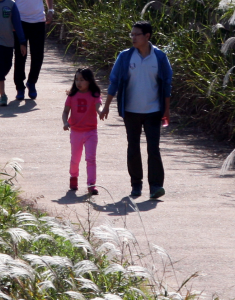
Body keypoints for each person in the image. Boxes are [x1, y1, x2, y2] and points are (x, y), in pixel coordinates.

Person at [101, 21, 173, 200]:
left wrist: (167, 109)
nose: (133, 38)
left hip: (154, 111)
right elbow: (114, 81)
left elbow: (167, 84)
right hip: (131, 111)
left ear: (147, 36)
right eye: (131, 34)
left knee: (153, 148)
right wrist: (107, 105)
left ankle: (156, 186)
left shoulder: (160, 57)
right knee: (133, 148)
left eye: (136, 34)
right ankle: (136, 184)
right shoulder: (125, 57)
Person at [6, 0, 55, 100]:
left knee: (38, 55)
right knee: (21, 56)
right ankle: (19, 87)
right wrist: (10, 21)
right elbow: (7, 1)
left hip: (38, 21)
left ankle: (31, 83)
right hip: (20, 23)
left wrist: (50, 10)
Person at [63, 68, 101, 196]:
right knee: (75, 158)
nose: (78, 82)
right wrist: (65, 122)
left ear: (89, 81)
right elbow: (65, 112)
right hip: (76, 132)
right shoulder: (72, 96)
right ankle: (73, 177)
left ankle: (91, 185)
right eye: (77, 79)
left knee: (91, 158)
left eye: (82, 80)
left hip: (91, 132)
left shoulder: (94, 95)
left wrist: (101, 112)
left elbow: (98, 106)